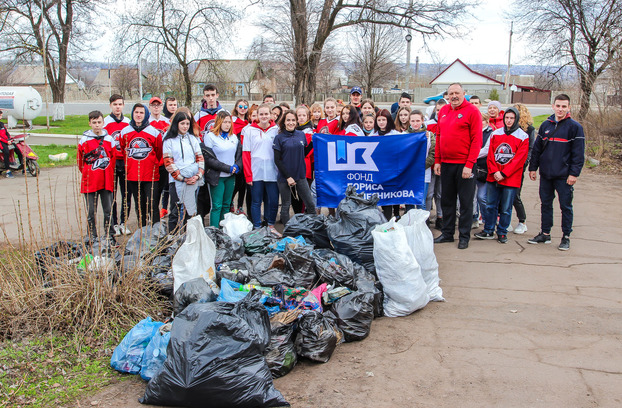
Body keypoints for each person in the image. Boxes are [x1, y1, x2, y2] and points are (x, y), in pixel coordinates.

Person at [528, 94, 585, 251]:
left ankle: (566, 236)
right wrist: (533, 168)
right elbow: (537, 149)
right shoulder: (546, 125)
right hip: (546, 174)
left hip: (564, 176)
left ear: (569, 108)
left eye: (563, 106)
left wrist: (574, 174)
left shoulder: (575, 127)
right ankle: (545, 233)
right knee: (545, 204)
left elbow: (578, 154)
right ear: (553, 106)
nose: (560, 109)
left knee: (565, 206)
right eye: (558, 106)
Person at [433, 83, 482, 249]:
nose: (454, 96)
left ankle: (464, 236)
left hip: (464, 165)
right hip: (446, 164)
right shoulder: (444, 111)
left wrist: (469, 164)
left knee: (466, 202)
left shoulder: (472, 111)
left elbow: (477, 140)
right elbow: (439, 136)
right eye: (451, 93)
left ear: (464, 94)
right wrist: (438, 160)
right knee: (447, 201)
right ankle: (447, 233)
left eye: (457, 93)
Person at [474, 107, 529, 244]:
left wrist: (504, 173)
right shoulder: (495, 134)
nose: (509, 121)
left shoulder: (523, 136)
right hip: (494, 176)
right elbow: (491, 155)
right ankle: (488, 230)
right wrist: (495, 172)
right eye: (507, 118)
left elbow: (519, 160)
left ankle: (502, 232)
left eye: (511, 118)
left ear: (516, 119)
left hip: (510, 178)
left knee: (505, 208)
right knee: (490, 205)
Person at [162, 108, 205, 233]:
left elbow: (200, 158)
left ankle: (188, 237)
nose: (185, 126)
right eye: (182, 123)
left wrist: (197, 176)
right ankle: (172, 239)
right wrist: (183, 178)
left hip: (193, 179)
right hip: (176, 180)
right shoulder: (169, 140)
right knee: (175, 210)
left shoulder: (193, 139)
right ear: (176, 124)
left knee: (189, 210)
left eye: (187, 124)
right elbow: (168, 162)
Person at [120, 103, 162, 227]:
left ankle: (156, 230)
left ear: (146, 115)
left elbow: (158, 152)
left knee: (153, 204)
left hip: (150, 175)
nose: (138, 115)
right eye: (136, 112)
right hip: (133, 175)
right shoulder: (125, 132)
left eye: (141, 113)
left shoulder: (154, 132)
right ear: (132, 114)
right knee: (139, 204)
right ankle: (142, 228)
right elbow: (123, 150)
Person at [77, 111, 116, 241]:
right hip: (90, 181)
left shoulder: (109, 140)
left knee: (108, 210)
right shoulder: (84, 140)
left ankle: (109, 235)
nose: (97, 125)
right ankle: (91, 235)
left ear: (103, 123)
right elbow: (80, 161)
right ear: (90, 123)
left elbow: (113, 159)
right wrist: (89, 173)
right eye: (94, 123)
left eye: (99, 122)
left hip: (106, 180)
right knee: (91, 212)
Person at [242, 104, 281, 235]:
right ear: (257, 115)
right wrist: (248, 175)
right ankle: (257, 227)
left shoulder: (276, 129)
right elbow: (246, 154)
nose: (264, 117)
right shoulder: (249, 130)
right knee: (256, 201)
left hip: (273, 172)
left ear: (271, 115)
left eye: (266, 114)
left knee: (273, 200)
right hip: (255, 172)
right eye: (261, 114)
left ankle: (270, 225)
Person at [273, 110, 317, 225]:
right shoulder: (279, 138)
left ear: (296, 121)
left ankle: (314, 229)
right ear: (284, 122)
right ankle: (288, 232)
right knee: (286, 205)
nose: (291, 122)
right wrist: (288, 177)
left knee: (310, 204)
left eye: (293, 120)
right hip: (284, 177)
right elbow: (277, 160)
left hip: (300, 175)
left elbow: (304, 152)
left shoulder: (301, 134)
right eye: (288, 120)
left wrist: (312, 142)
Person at [204, 111, 242, 228]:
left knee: (227, 204)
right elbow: (209, 159)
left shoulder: (233, 137)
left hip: (231, 176)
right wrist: (227, 168)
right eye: (224, 122)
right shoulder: (210, 136)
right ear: (218, 122)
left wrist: (237, 166)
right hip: (217, 177)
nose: (227, 125)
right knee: (216, 205)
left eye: (229, 122)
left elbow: (239, 155)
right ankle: (214, 231)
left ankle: (223, 230)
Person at [103, 94, 132, 236]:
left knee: (126, 194)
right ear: (110, 106)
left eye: (120, 104)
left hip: (126, 162)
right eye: (115, 104)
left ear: (123, 105)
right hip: (112, 162)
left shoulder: (128, 122)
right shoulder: (105, 123)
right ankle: (114, 223)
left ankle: (123, 222)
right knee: (112, 194)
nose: (117, 107)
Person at [507, 103, 536, 234]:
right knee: (504, 195)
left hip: (519, 166)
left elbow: (530, 148)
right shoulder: (507, 128)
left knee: (515, 195)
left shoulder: (529, 129)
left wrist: (525, 163)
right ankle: (505, 221)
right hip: (506, 166)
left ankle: (522, 221)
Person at [374, 109, 401, 219]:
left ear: (388, 120)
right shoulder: (373, 135)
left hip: (392, 171)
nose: (381, 122)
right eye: (379, 120)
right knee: (382, 199)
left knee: (390, 197)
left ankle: (391, 219)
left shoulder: (396, 134)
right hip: (379, 172)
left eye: (383, 120)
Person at [148, 97, 171, 219]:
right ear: (150, 107)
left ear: (162, 107)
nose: (156, 107)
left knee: (166, 187)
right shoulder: (147, 122)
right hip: (151, 162)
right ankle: (153, 213)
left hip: (164, 161)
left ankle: (164, 208)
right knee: (153, 190)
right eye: (153, 105)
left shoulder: (167, 122)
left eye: (158, 105)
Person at [409, 110, 435, 211]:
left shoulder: (429, 135)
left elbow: (432, 154)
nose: (415, 123)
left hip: (423, 173)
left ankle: (423, 224)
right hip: (409, 174)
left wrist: (420, 167)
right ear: (409, 121)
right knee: (409, 201)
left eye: (418, 121)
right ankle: (410, 225)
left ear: (422, 121)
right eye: (413, 121)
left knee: (421, 202)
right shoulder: (404, 135)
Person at [472, 113, 494, 229]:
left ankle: (487, 219)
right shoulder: (473, 131)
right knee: (473, 197)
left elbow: (486, 150)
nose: (479, 123)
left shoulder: (490, 134)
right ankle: (474, 217)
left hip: (484, 169)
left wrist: (471, 155)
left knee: (482, 197)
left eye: (482, 121)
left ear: (486, 121)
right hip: (472, 167)